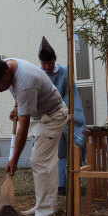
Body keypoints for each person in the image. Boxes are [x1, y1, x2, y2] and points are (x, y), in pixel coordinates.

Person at [0, 58, 68, 216]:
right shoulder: (7, 65)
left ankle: (46, 212)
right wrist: (17, 107)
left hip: (53, 116)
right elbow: (18, 93)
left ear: (6, 74)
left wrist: (14, 159)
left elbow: (23, 127)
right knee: (40, 162)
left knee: (41, 162)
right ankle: (42, 206)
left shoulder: (26, 83)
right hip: (41, 116)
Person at [38, 36, 86, 196]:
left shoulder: (65, 72)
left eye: (49, 63)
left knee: (69, 149)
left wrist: (67, 114)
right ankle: (58, 184)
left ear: (54, 60)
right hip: (46, 117)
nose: (46, 66)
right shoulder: (39, 74)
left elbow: (71, 94)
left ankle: (73, 181)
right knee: (55, 153)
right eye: (43, 63)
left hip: (65, 114)